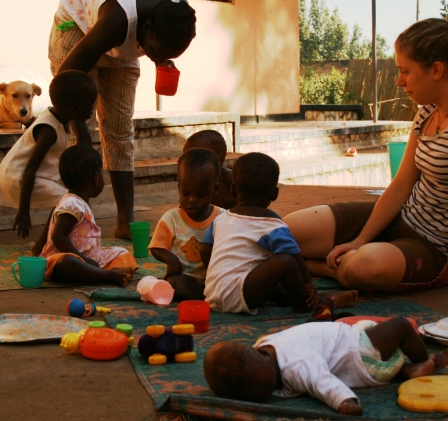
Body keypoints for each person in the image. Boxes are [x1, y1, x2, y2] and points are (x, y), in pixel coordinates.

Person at [284, 16, 448, 298]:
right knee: (288, 230)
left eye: (405, 71)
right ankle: (336, 261)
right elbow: (402, 184)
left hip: (435, 249)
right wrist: (360, 238)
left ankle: (320, 267)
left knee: (360, 267)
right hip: (400, 220)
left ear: (436, 70)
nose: (399, 81)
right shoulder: (428, 111)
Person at [49, 0, 197, 240]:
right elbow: (65, 80)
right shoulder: (117, 21)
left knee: (119, 129)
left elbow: (162, 41)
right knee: (81, 135)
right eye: (159, 51)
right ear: (148, 30)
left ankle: (125, 221)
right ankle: (78, 221)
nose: (162, 58)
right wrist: (80, 126)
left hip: (121, 41)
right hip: (78, 27)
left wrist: (160, 61)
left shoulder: (178, 13)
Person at [201, 152, 356, 314]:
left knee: (276, 283)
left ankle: (307, 298)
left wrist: (216, 276)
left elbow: (204, 249)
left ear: (233, 190)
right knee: (284, 261)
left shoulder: (221, 218)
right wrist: (308, 285)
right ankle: (306, 302)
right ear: (275, 193)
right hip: (239, 294)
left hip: (212, 295)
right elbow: (294, 256)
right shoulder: (271, 222)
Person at [204, 318, 448, 415]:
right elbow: (322, 382)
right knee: (400, 326)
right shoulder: (297, 363)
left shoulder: (267, 346)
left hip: (346, 350)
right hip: (359, 351)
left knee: (371, 334)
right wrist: (344, 400)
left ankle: (407, 371)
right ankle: (421, 362)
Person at [0, 71, 96, 238]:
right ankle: (53, 241)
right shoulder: (48, 131)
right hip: (17, 177)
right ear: (75, 108)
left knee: (67, 201)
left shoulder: (61, 120)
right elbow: (30, 169)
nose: (93, 110)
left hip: (31, 175)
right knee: (70, 201)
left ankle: (46, 242)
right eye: (91, 105)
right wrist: (23, 211)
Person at [32, 144, 137, 286]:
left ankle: (104, 272)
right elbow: (58, 236)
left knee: (122, 252)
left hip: (90, 259)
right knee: (68, 262)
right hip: (63, 260)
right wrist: (83, 259)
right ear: (96, 179)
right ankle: (106, 276)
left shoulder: (79, 203)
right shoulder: (72, 204)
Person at [148, 148, 225, 300]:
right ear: (179, 188)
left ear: (215, 190)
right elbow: (156, 247)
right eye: (186, 193)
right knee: (174, 283)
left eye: (201, 195)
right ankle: (208, 298)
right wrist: (171, 260)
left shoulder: (223, 217)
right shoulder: (171, 218)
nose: (192, 199)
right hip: (185, 279)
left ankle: (212, 295)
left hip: (216, 279)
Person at [183, 130, 236, 209]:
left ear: (218, 160)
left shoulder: (231, 182)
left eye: (196, 159)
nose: (190, 164)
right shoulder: (191, 183)